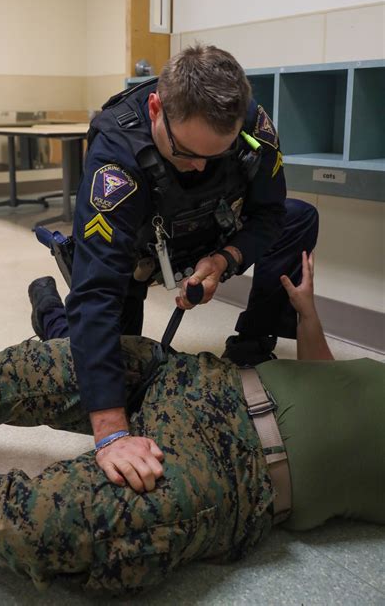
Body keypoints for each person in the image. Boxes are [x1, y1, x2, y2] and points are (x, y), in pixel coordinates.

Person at [0, 254, 383, 595]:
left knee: (46, 527)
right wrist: (308, 313)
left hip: (237, 468)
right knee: (42, 365)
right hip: (204, 376)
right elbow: (331, 380)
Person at [28, 44, 318, 490]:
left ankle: (250, 345)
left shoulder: (252, 123)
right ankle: (48, 307)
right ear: (156, 107)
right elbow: (98, 291)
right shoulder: (116, 156)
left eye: (215, 155)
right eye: (185, 152)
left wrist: (225, 259)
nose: (200, 166)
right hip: (136, 254)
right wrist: (111, 433)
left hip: (209, 232)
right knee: (93, 363)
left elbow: (271, 214)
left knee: (300, 217)